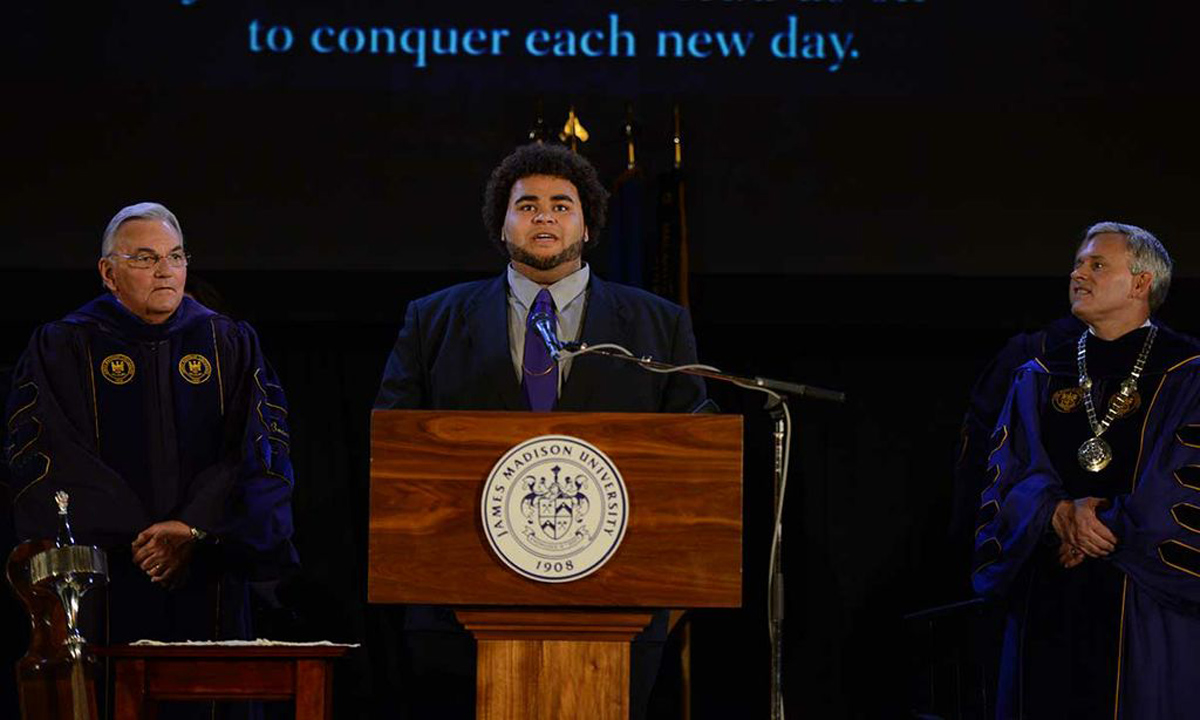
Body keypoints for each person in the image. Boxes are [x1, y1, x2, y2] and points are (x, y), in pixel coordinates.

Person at [375, 143, 707, 718]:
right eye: (526, 206)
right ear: (501, 226)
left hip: (617, 607)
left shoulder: (658, 323)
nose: (544, 216)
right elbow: (395, 451)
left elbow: (693, 462)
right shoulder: (432, 320)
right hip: (460, 609)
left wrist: (669, 599)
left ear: (589, 223)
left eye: (561, 204)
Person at [4, 201, 298, 651]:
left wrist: (191, 529)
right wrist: (146, 538)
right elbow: (50, 452)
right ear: (108, 273)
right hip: (104, 573)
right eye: (145, 258)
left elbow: (255, 450)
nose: (165, 271)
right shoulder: (63, 345)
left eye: (175, 257)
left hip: (208, 567)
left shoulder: (228, 341)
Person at [971, 222, 1200, 719]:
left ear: (1141, 284)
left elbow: (1187, 482)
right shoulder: (1038, 373)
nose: (1078, 273)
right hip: (1048, 594)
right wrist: (1054, 514)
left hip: (1146, 599)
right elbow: (1009, 473)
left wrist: (1105, 526)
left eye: (1097, 264)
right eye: (1078, 263)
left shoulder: (1189, 373)